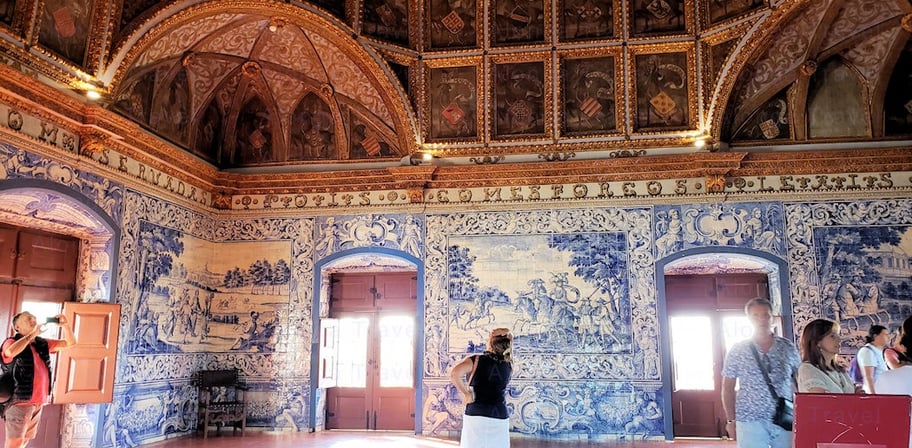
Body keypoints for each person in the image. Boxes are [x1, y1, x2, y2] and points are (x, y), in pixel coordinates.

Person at [721, 298, 800, 448]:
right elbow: (727, 388)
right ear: (748, 319)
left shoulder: (787, 348)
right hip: (749, 419)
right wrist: (731, 421)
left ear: (772, 318)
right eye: (755, 316)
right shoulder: (738, 349)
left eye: (766, 315)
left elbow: (799, 382)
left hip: (784, 417)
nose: (761, 320)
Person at [1, 312, 76, 448]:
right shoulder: (11, 342)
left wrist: (65, 326)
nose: (33, 319)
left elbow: (70, 344)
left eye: (34, 317)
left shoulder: (42, 343)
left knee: (24, 441)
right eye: (28, 318)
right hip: (20, 402)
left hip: (38, 401)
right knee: (14, 443)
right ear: (17, 327)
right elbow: (10, 352)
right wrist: (32, 335)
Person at [449, 328, 513, 448]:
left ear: (490, 343)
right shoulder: (508, 363)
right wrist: (505, 333)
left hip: (476, 414)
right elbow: (510, 337)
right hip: (499, 415)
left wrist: (466, 394)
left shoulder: (476, 360)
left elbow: (454, 374)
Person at [797, 319, 856, 393]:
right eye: (832, 336)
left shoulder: (840, 370)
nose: (839, 339)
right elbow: (823, 400)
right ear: (818, 342)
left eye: (838, 335)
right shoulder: (808, 369)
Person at [856, 325, 890, 393]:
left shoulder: (880, 351)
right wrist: (873, 396)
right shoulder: (868, 351)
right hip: (874, 392)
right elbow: (868, 377)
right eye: (886, 335)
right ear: (875, 336)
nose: (889, 337)